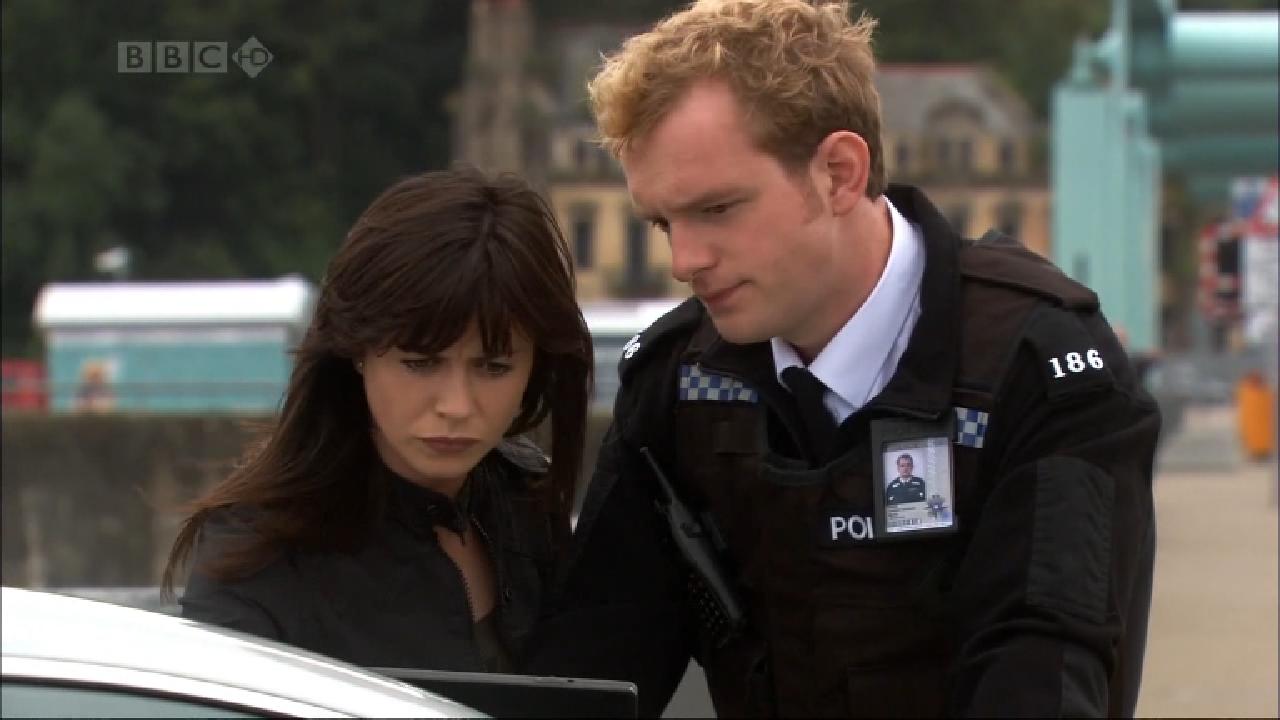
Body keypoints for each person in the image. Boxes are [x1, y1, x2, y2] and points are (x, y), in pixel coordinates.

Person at [525, 1, 1160, 717]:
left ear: (839, 173)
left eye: (717, 210)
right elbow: (587, 670)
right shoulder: (680, 383)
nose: (684, 260)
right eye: (663, 223)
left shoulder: (1040, 372)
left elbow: (1042, 675)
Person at [162, 167, 593, 675]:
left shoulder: (527, 503)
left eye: (493, 367)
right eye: (421, 363)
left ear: (535, 367)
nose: (457, 405)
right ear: (358, 352)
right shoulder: (263, 551)